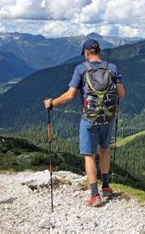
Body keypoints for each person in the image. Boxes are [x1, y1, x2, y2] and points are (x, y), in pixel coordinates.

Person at [43, 39, 126, 207]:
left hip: (89, 118)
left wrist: (51, 103)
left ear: (87, 53)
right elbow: (121, 93)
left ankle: (95, 195)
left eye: (85, 54)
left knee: (89, 155)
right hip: (108, 117)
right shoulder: (112, 68)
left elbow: (70, 95)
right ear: (99, 51)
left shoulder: (81, 69)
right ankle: (106, 186)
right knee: (104, 149)